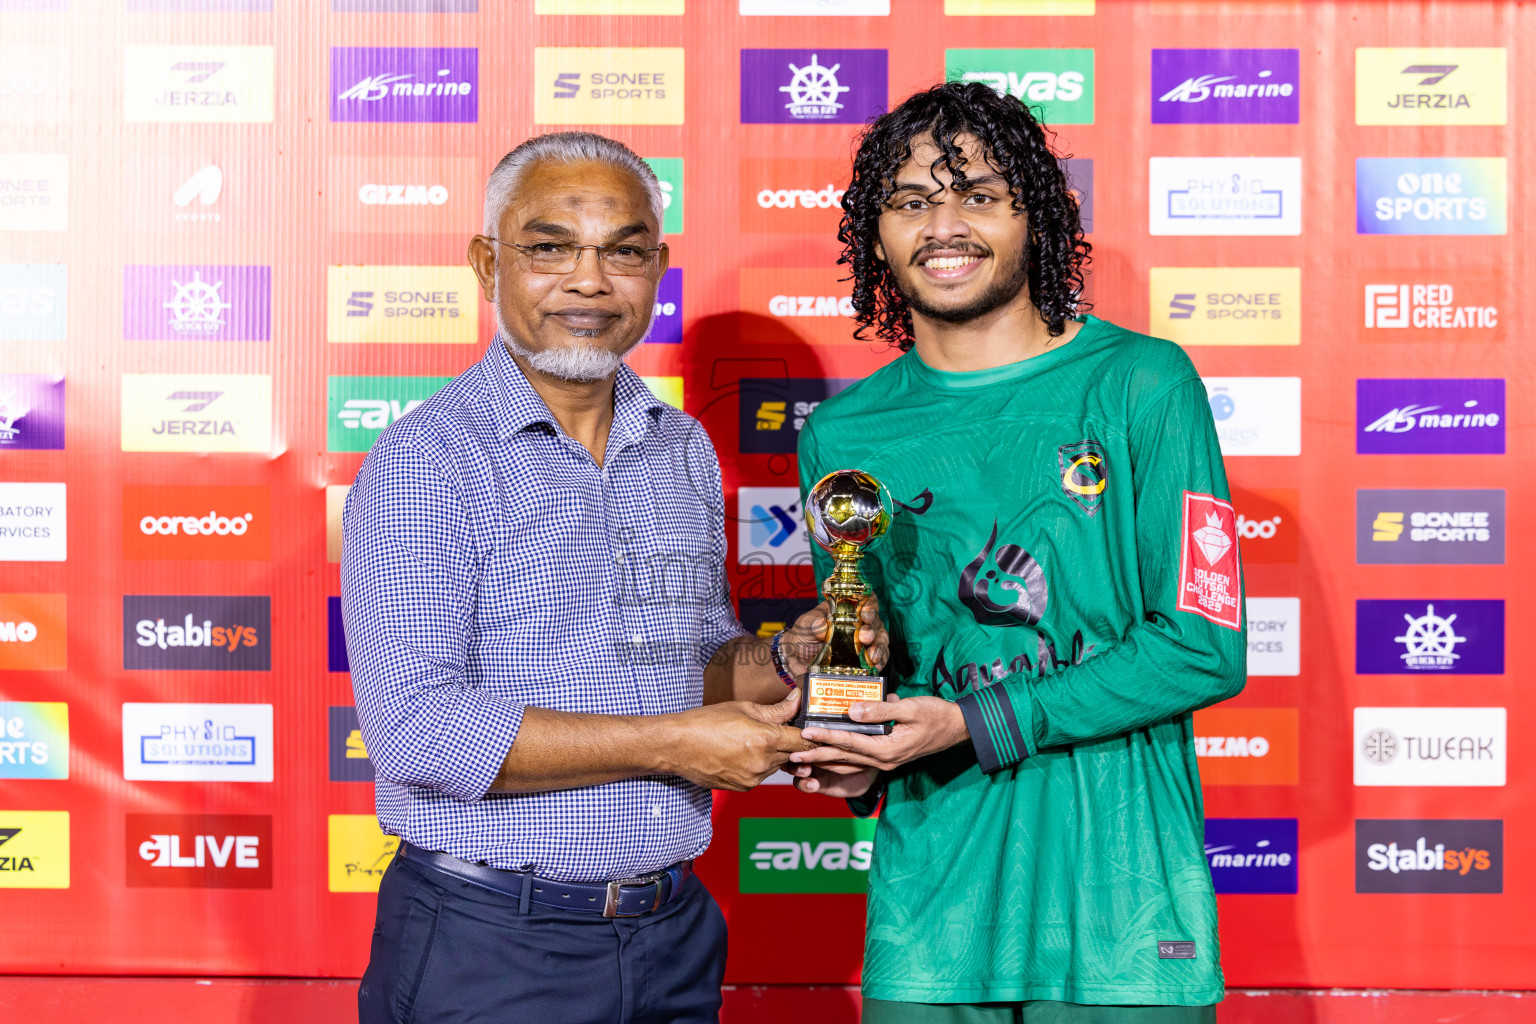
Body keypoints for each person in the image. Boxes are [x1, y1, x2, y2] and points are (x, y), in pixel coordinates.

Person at [341, 131, 885, 1024]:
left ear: (657, 269)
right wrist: (676, 743)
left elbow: (700, 660)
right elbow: (421, 735)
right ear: (488, 265)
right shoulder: (425, 462)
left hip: (673, 935)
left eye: (623, 251)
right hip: (493, 945)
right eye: (550, 248)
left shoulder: (680, 447)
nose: (590, 281)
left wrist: (787, 656)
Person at [787, 83, 1246, 1023]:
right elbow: (876, 655)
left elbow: (1202, 643)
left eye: (979, 195)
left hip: (1124, 914)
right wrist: (858, 750)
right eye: (911, 201)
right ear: (874, 236)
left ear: (1035, 218)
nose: (942, 225)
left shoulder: (1144, 384)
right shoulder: (844, 434)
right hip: (932, 923)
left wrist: (968, 724)